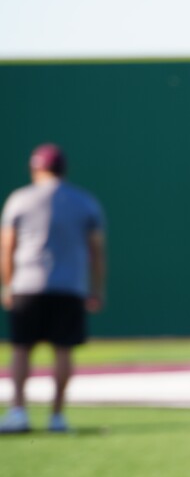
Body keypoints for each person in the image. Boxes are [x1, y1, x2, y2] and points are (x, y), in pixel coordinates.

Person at [1, 144, 107, 434]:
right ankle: (57, 416)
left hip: (27, 285)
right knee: (63, 350)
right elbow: (97, 251)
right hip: (70, 287)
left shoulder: (19, 199)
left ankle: (18, 412)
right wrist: (96, 288)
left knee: (22, 348)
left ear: (36, 168)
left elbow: (7, 247)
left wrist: (7, 285)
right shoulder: (85, 202)